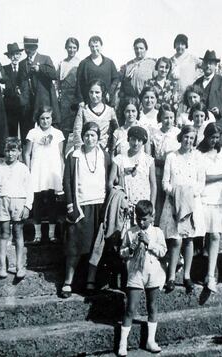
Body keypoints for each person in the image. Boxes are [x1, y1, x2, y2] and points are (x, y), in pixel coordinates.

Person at [61, 121, 111, 298]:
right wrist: (70, 204)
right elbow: (67, 181)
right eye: (87, 135)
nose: (90, 139)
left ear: (98, 137)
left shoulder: (105, 156)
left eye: (93, 135)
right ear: (82, 136)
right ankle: (68, 281)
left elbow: (110, 180)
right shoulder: (74, 155)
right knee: (74, 244)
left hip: (99, 204)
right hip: (80, 205)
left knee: (96, 246)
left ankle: (90, 280)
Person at [159, 125, 205, 294]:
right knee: (176, 239)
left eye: (192, 138)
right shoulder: (172, 157)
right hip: (173, 202)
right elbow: (165, 182)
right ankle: (171, 277)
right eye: (186, 137)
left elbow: (201, 183)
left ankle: (186, 276)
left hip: (191, 203)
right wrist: (176, 194)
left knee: (189, 239)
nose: (188, 141)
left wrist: (190, 195)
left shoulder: (198, 157)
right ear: (181, 137)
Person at [118, 200, 167, 356]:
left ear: (152, 217)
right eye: (138, 218)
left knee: (152, 306)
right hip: (136, 273)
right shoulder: (130, 232)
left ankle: (150, 340)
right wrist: (129, 250)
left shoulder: (157, 232)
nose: (141, 222)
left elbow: (163, 252)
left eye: (145, 219)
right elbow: (121, 252)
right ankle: (122, 343)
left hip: (153, 273)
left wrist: (149, 243)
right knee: (130, 308)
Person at [0, 137, 33, 279]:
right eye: (7, 150)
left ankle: (20, 267)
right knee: (4, 234)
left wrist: (27, 206)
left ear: (19, 152)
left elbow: (29, 189)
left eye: (13, 150)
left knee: (18, 233)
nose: (10, 154)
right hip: (3, 202)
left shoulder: (23, 169)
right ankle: (3, 266)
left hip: (19, 202)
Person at [23, 105, 64, 243]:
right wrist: (28, 171)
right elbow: (27, 153)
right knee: (38, 201)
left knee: (52, 201)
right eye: (42, 118)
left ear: (52, 118)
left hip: (52, 171)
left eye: (48, 118)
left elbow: (61, 155)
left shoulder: (58, 133)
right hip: (38, 170)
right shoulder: (32, 133)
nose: (45, 121)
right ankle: (38, 234)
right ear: (38, 119)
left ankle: (52, 234)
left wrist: (61, 173)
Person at [197, 123, 222, 293]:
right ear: (206, 136)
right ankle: (202, 269)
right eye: (212, 137)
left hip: (220, 199)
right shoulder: (199, 153)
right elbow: (202, 178)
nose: (214, 141)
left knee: (215, 235)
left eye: (217, 138)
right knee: (203, 236)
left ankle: (211, 276)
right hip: (204, 197)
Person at [17, 36, 60, 143]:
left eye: (31, 47)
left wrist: (40, 68)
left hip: (42, 101)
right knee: (28, 130)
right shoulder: (22, 63)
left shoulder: (45, 59)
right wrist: (18, 90)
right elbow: (19, 81)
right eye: (26, 47)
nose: (28, 50)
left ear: (36, 47)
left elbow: (54, 75)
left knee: (44, 128)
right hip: (27, 103)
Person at [108, 126, 157, 210]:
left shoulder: (148, 160)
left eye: (139, 140)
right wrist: (120, 199)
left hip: (144, 206)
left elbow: (153, 185)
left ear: (143, 142)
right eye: (133, 139)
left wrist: (152, 206)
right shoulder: (119, 159)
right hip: (124, 205)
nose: (136, 143)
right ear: (128, 139)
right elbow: (110, 183)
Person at [150, 103, 180, 224]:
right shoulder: (155, 133)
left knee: (171, 202)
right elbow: (151, 156)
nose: (169, 121)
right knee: (158, 202)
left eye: (171, 118)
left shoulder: (178, 133)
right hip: (158, 172)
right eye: (165, 118)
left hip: (173, 173)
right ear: (160, 118)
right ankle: (156, 227)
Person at [193, 50, 222, 134]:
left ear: (215, 65)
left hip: (218, 124)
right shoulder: (197, 83)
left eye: (211, 63)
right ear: (202, 65)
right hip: (200, 125)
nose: (208, 66)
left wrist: (220, 109)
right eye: (206, 63)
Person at [73, 79, 118, 152]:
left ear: (103, 93)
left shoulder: (110, 111)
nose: (94, 96)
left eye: (97, 92)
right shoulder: (83, 110)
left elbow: (116, 131)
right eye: (91, 92)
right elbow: (77, 132)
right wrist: (80, 150)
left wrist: (112, 150)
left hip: (104, 150)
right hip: (87, 149)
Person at [75, 35, 119, 106]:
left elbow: (116, 79)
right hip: (88, 101)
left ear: (101, 46)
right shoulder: (84, 63)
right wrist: (81, 100)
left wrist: (110, 92)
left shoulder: (109, 63)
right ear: (89, 47)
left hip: (106, 101)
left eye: (96, 46)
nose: (94, 49)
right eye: (92, 46)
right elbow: (78, 83)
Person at [57, 37, 80, 149]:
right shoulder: (61, 63)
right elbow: (57, 82)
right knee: (64, 129)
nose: (72, 50)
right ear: (66, 48)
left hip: (76, 99)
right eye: (70, 47)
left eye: (74, 47)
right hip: (65, 100)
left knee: (77, 127)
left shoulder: (80, 63)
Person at [2, 43, 24, 138]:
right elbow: (3, 87)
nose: (14, 57)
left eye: (17, 54)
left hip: (23, 105)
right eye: (12, 55)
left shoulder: (24, 67)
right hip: (10, 106)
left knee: (25, 130)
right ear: (9, 57)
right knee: (12, 131)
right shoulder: (4, 69)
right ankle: (13, 151)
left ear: (20, 55)